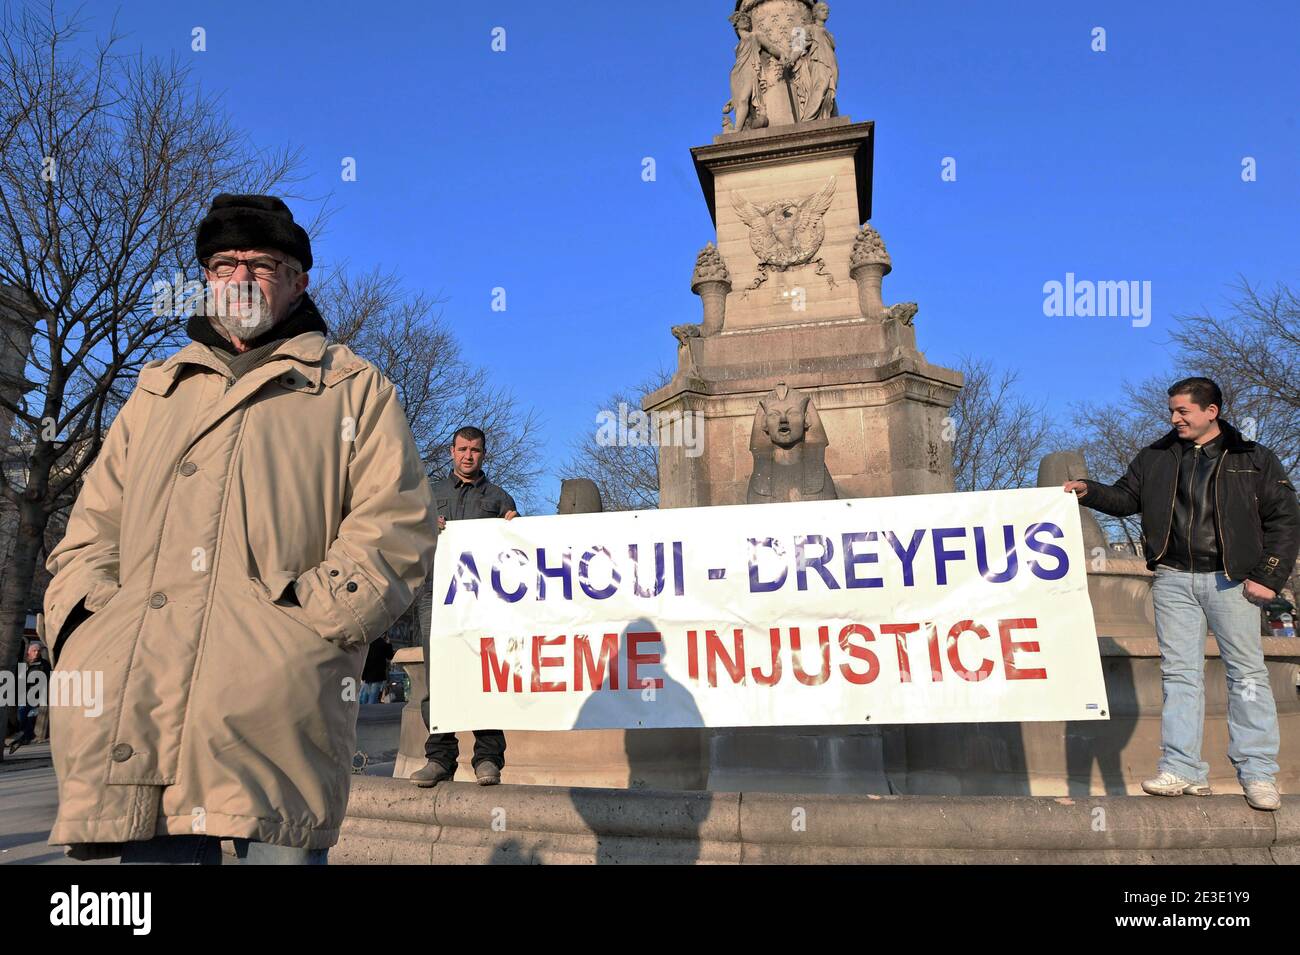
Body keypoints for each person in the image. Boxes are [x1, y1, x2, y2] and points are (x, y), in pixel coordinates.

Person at [43, 193, 437, 864]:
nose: (241, 277)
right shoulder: (156, 389)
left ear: (298, 279)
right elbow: (90, 527)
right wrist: (85, 620)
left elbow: (396, 523)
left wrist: (310, 624)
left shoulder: (353, 387)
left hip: (278, 704)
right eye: (224, 262)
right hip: (145, 702)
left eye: (262, 262)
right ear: (205, 277)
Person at [1065, 377, 1298, 811]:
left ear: (1212, 412)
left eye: (1183, 411)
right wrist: (1089, 490)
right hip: (1173, 578)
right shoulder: (1156, 456)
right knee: (1179, 675)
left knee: (1247, 675)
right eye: (1172, 411)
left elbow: (1285, 520)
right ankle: (1182, 768)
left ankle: (1258, 773)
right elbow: (1125, 498)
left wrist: (1268, 574)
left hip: (1231, 580)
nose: (1174, 419)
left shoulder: (1254, 458)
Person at [412, 426, 518, 788]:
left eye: (475, 450)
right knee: (438, 678)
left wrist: (515, 528)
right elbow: (405, 537)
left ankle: (488, 757)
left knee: (484, 673)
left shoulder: (500, 498)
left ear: (484, 454)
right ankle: (440, 757)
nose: (468, 455)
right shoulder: (429, 494)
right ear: (451, 451)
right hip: (435, 597)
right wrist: (425, 526)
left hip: (484, 603)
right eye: (462, 449)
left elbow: (518, 550)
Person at [6, 640, 49, 754]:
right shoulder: (23, 664)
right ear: (29, 652)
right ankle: (22, 736)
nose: (36, 653)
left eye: (38, 651)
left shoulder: (44, 665)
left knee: (31, 717)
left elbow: (48, 679)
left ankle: (25, 738)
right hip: (22, 696)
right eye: (34, 651)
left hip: (36, 697)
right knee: (21, 715)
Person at [360, 634, 395, 704]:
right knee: (372, 697)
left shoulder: (368, 643)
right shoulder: (383, 643)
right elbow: (390, 656)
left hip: (367, 675)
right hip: (378, 675)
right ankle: (370, 712)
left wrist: (363, 675)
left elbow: (364, 659)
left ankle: (362, 712)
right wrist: (388, 644)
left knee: (364, 697)